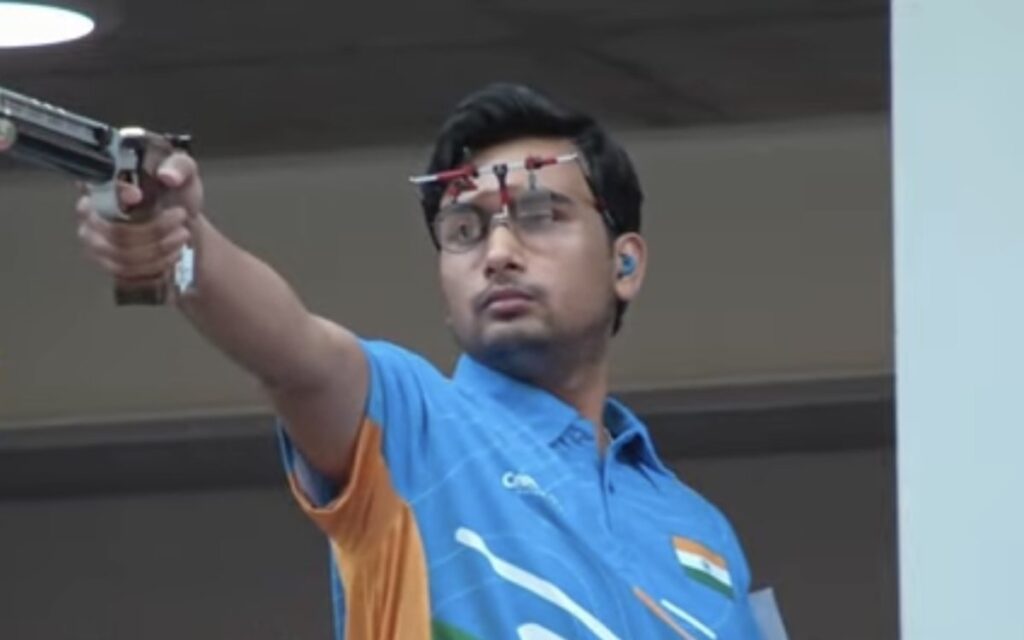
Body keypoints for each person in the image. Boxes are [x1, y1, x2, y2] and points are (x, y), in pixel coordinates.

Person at [74, 83, 763, 640]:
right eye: (463, 230)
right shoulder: (413, 423)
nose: (497, 253)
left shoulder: (701, 530)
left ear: (626, 264)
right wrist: (182, 242)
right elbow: (294, 356)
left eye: (539, 215)